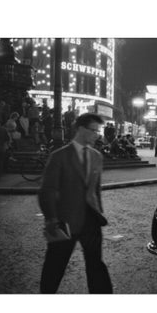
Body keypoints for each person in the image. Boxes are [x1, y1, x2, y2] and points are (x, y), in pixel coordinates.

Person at [38, 113, 113, 294]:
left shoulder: (96, 156)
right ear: (80, 129)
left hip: (91, 220)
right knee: (55, 264)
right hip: (66, 221)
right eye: (93, 130)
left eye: (98, 131)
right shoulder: (59, 156)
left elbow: (96, 189)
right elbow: (47, 190)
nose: (97, 135)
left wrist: (99, 212)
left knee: (96, 264)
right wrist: (51, 219)